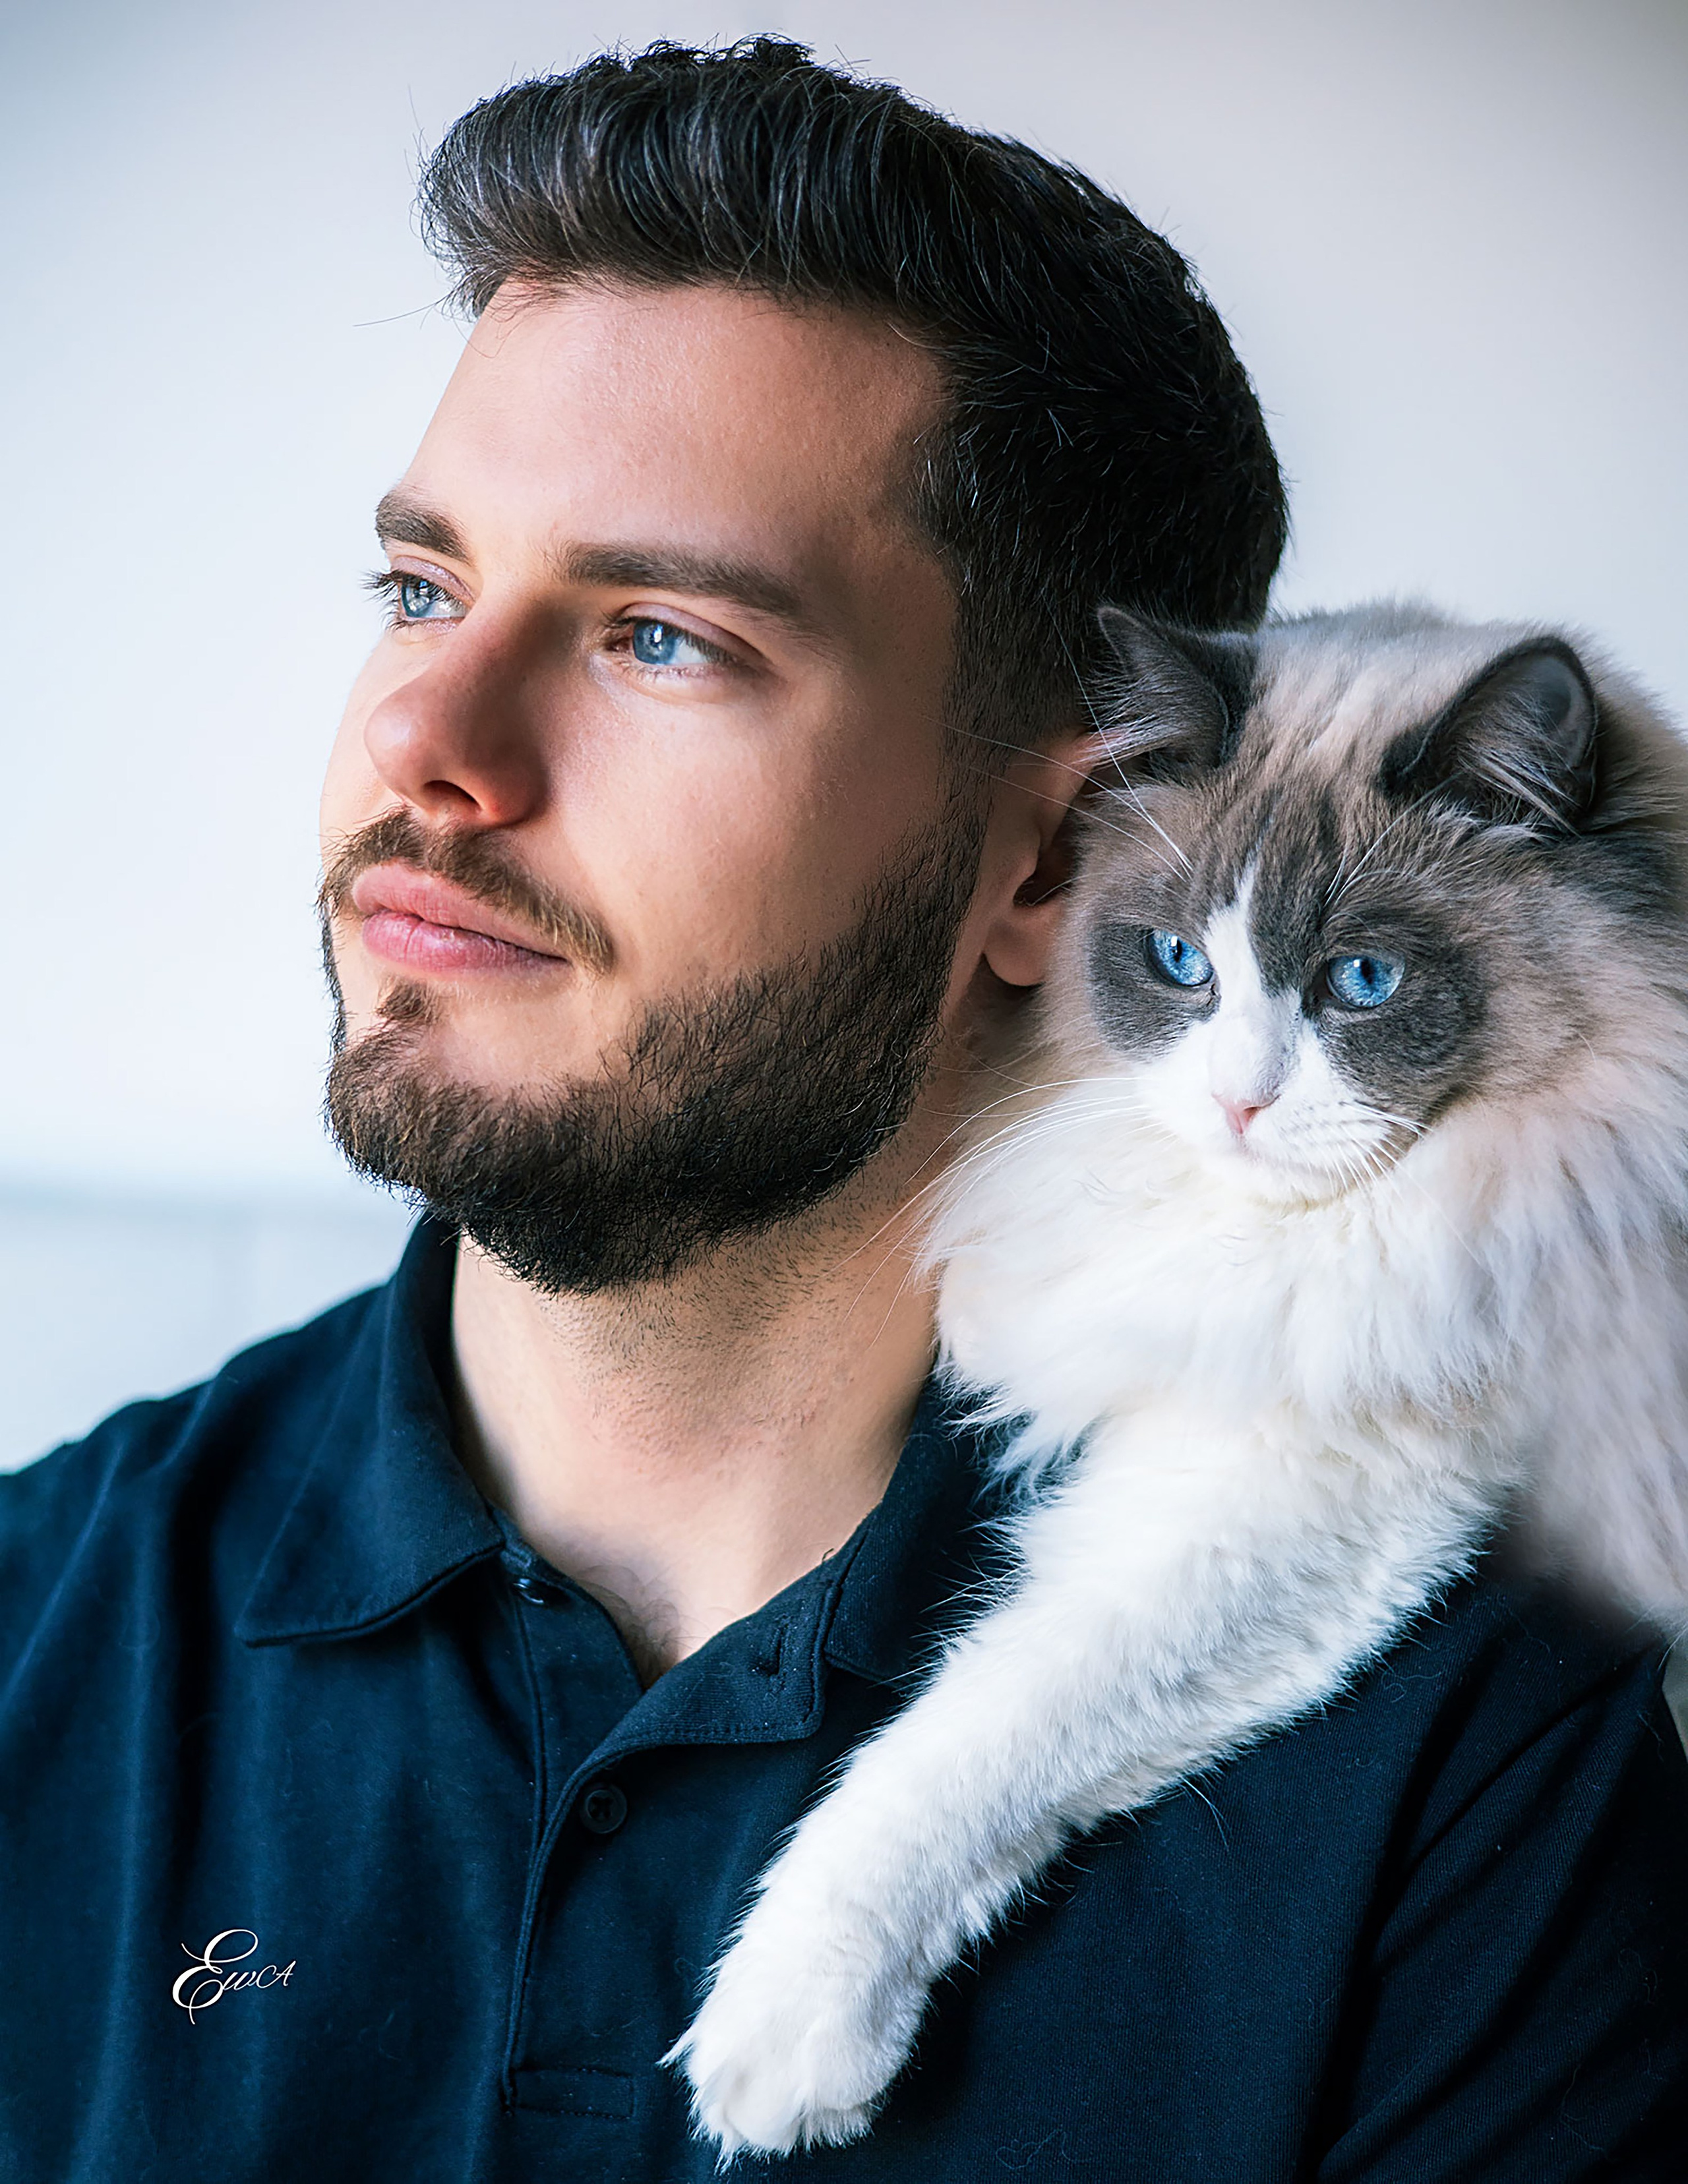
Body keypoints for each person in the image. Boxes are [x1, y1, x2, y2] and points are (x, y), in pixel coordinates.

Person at [2, 38, 1683, 2183]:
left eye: (661, 637)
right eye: (420, 589)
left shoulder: (1469, 1776)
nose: (424, 734)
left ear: (1059, 871)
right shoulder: (36, 1635)